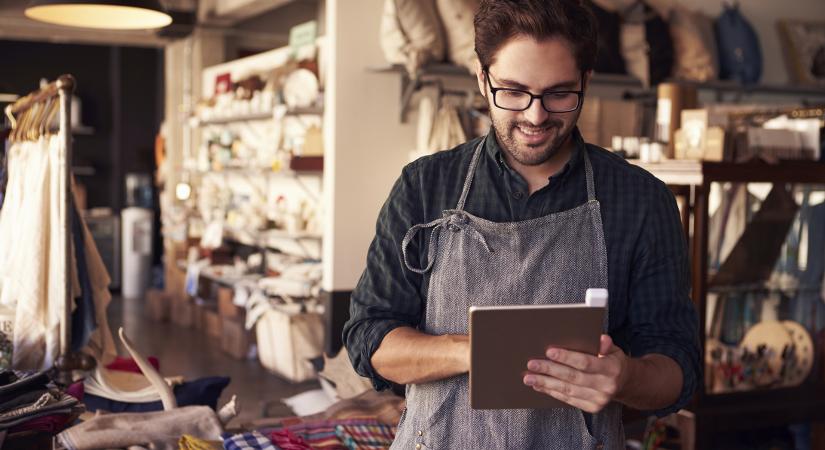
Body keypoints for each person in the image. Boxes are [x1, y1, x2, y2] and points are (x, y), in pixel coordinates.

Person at [343, 0, 700, 448]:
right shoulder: (424, 186)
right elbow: (368, 338)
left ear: (586, 81)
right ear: (482, 78)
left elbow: (678, 368)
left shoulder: (641, 200)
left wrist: (625, 376)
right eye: (513, 92)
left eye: (559, 93)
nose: (536, 116)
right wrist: (474, 349)